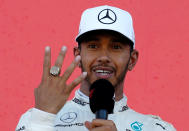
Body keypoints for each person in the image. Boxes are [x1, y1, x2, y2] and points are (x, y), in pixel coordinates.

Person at [16, 5, 176, 131]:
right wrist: (42, 120)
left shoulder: (156, 128)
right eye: (93, 46)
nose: (104, 57)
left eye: (116, 46)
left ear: (132, 59)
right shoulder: (38, 118)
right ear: (77, 56)